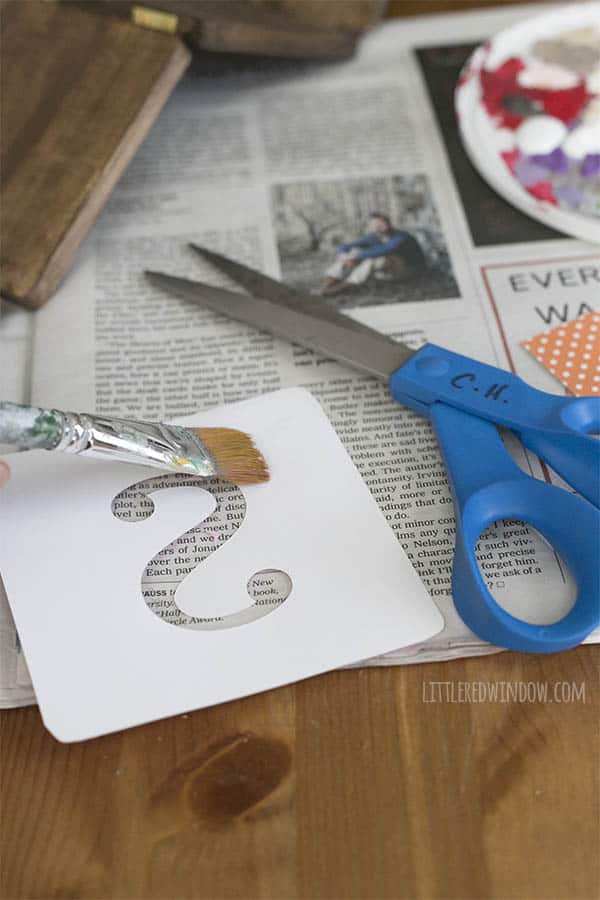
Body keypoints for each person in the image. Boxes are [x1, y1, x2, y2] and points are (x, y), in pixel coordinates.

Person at [320, 212, 426, 295]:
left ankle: (345, 287)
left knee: (376, 258)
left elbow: (386, 249)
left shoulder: (401, 236)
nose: (378, 226)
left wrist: (355, 257)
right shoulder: (374, 236)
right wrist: (343, 255)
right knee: (354, 251)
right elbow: (346, 246)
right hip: (388, 273)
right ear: (371, 226)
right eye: (375, 224)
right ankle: (328, 284)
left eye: (381, 222)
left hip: (409, 271)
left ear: (389, 223)